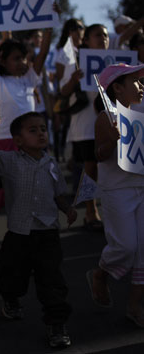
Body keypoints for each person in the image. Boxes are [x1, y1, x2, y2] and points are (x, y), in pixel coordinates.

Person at [0, 0, 55, 255]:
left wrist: (49, 26)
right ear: (2, 60)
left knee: (27, 194)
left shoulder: (29, 80)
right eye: (16, 58)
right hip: (2, 143)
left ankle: (24, 239)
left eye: (24, 58)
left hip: (31, 147)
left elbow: (43, 54)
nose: (23, 62)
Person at [0, 112, 76, 348]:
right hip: (19, 234)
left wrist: (67, 208)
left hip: (48, 233)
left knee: (52, 280)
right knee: (12, 274)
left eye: (43, 128)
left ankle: (57, 323)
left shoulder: (52, 164)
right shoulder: (8, 161)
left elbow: (58, 194)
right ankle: (10, 298)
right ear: (18, 140)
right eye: (33, 130)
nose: (41, 133)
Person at [86, 63, 144, 328]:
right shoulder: (105, 117)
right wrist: (111, 141)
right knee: (125, 246)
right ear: (117, 88)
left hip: (142, 187)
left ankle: (134, 306)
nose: (141, 86)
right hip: (117, 190)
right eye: (135, 81)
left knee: (143, 250)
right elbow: (99, 155)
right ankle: (101, 272)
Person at [61, 24, 108, 230]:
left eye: (106, 35)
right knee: (91, 168)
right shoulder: (77, 63)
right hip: (86, 124)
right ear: (86, 41)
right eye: (98, 35)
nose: (103, 39)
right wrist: (73, 80)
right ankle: (91, 211)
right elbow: (63, 92)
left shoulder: (116, 62)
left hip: (110, 125)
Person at [53, 18, 85, 162]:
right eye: (75, 28)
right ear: (68, 32)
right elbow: (60, 80)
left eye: (81, 27)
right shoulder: (64, 52)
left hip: (87, 101)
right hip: (71, 99)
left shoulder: (88, 50)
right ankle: (66, 156)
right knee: (67, 129)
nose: (79, 31)